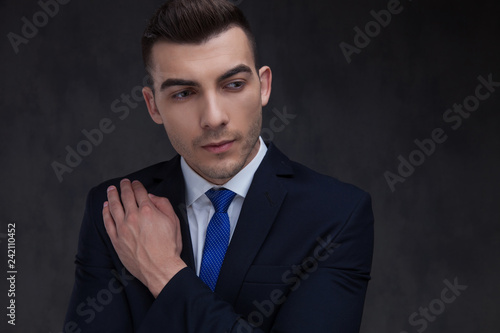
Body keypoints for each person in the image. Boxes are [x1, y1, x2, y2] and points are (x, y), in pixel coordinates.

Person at [63, 0, 374, 332]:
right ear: (153, 106)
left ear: (264, 86)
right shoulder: (116, 211)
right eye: (184, 93)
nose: (213, 118)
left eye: (233, 85)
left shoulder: (337, 214)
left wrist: (165, 273)